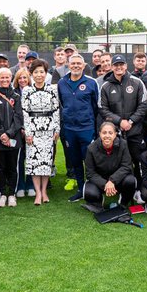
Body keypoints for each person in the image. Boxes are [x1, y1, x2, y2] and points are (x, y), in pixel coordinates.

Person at [97, 54, 147, 188]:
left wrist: (131, 121)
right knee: (118, 163)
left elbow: (143, 105)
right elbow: (102, 108)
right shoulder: (106, 86)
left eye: (121, 64)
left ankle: (139, 188)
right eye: (116, 65)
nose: (119, 67)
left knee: (138, 161)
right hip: (116, 133)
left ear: (126, 66)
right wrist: (120, 121)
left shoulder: (137, 82)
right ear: (112, 67)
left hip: (135, 131)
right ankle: (120, 187)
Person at [58, 52, 98, 203]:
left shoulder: (91, 82)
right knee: (75, 161)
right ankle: (81, 189)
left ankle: (92, 190)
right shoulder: (62, 82)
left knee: (89, 161)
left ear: (83, 66)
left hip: (86, 128)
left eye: (78, 64)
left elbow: (95, 106)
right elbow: (62, 103)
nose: (75, 66)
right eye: (73, 63)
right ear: (68, 65)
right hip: (69, 129)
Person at [21, 59, 61, 204]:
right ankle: (37, 193)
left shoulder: (53, 89)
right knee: (34, 163)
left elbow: (56, 110)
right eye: (36, 72)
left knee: (46, 162)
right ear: (31, 74)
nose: (39, 75)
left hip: (49, 131)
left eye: (41, 72)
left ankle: (44, 191)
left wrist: (57, 129)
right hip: (33, 131)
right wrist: (28, 132)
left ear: (46, 74)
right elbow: (25, 112)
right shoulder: (27, 90)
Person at [0, 67, 23, 207]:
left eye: (7, 77)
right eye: (2, 77)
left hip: (14, 138)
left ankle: (12, 194)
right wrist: (1, 133)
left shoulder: (16, 97)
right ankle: (2, 194)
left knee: (13, 167)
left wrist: (8, 133)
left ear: (11, 78)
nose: (5, 80)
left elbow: (19, 117)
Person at [82, 120, 137, 213]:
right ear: (99, 134)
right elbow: (90, 173)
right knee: (89, 192)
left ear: (115, 134)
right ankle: (99, 202)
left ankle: (123, 202)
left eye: (110, 133)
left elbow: (127, 166)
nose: (107, 135)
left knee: (131, 181)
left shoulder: (123, 144)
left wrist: (112, 180)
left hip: (118, 179)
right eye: (104, 133)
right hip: (101, 180)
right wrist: (106, 184)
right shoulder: (91, 148)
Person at [12, 67, 33, 197]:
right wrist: (20, 128)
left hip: (32, 131)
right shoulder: (13, 93)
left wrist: (29, 129)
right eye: (20, 78)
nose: (22, 80)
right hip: (18, 131)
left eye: (25, 77)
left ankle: (30, 185)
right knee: (19, 160)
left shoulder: (33, 91)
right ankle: (20, 185)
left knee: (31, 158)